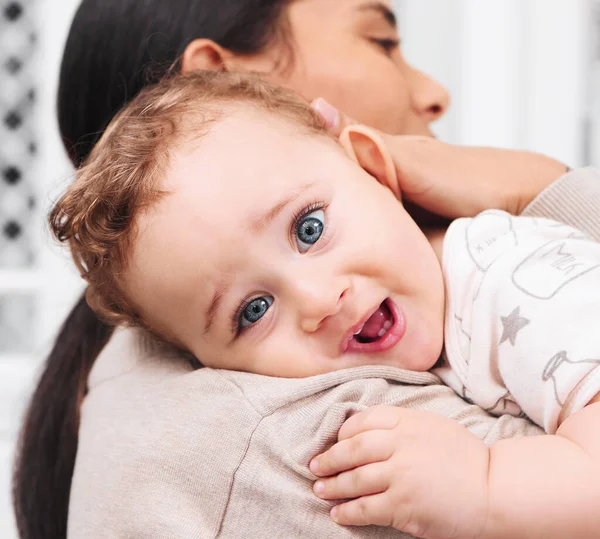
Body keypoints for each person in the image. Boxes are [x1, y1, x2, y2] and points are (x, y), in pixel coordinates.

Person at [12, 1, 600, 538]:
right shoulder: (260, 435)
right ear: (199, 356)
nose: (318, 299)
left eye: (309, 229)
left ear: (372, 165)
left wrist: (487, 485)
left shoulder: (517, 283)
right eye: (254, 311)